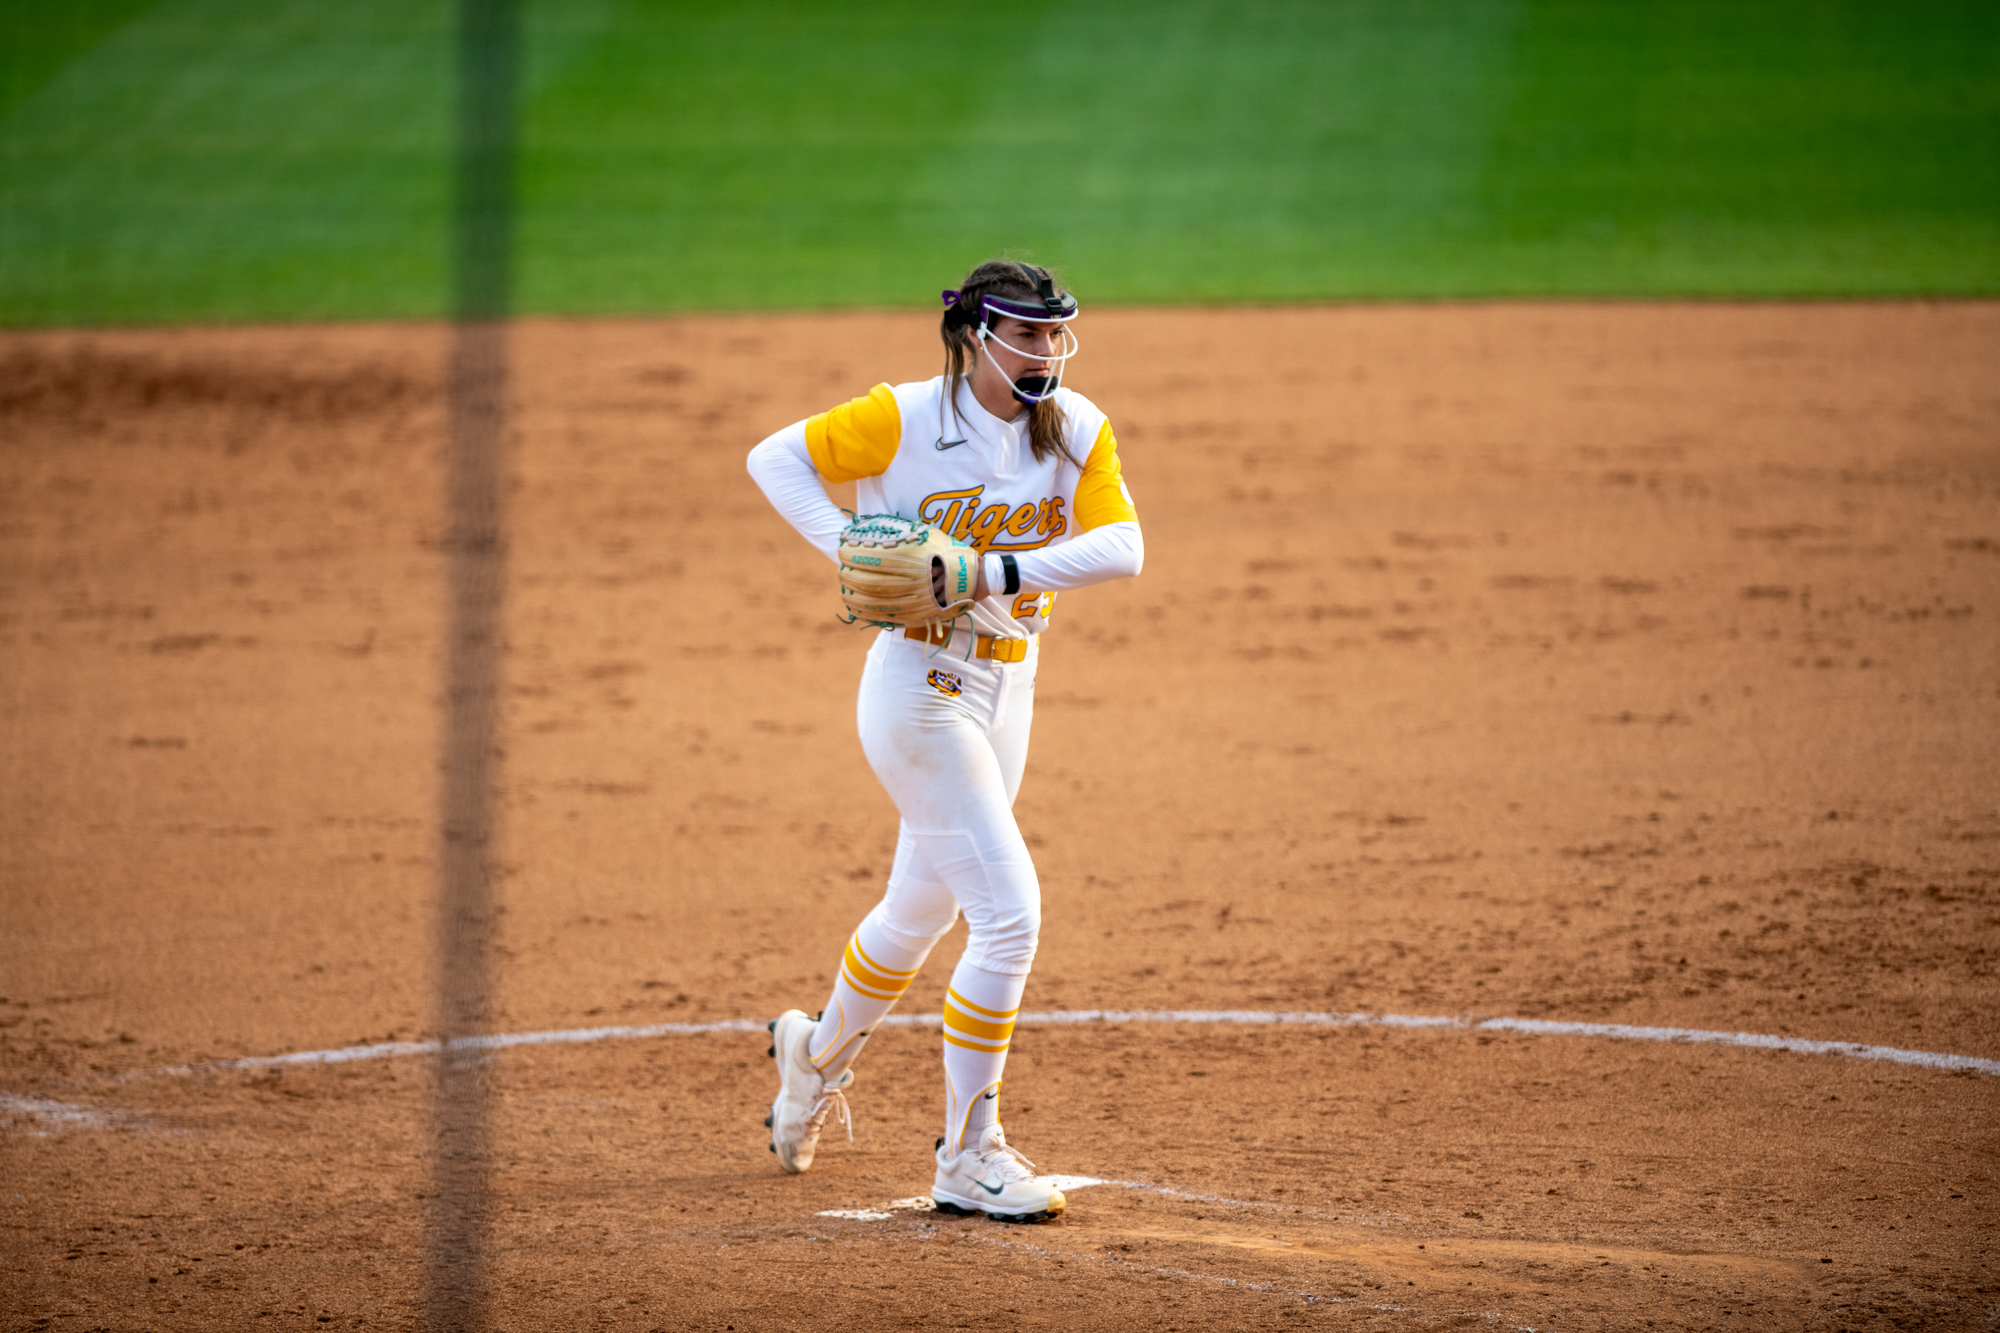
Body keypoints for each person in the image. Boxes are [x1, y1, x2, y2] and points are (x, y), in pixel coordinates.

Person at [744, 258, 1144, 1223]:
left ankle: (813, 1056)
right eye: (1027, 333)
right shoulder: (904, 416)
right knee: (1008, 912)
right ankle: (968, 1153)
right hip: (917, 688)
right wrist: (847, 545)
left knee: (920, 907)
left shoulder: (1076, 427)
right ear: (976, 336)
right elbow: (774, 458)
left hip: (1009, 683)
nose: (1045, 350)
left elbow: (1122, 547)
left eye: (1055, 333)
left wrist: (982, 568)